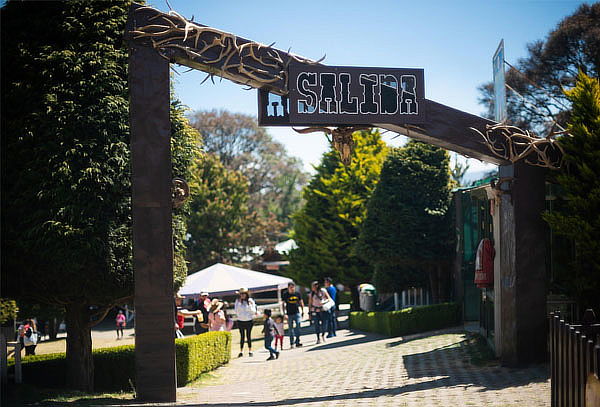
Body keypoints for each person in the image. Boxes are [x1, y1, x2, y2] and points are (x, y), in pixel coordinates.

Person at [234, 287, 257, 357]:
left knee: (248, 336)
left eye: (244, 294)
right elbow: (236, 311)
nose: (242, 295)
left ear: (246, 294)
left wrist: (249, 305)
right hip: (241, 321)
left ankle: (250, 350)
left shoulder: (250, 301)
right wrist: (240, 304)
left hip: (249, 320)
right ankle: (241, 351)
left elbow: (254, 311)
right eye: (241, 294)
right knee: (242, 336)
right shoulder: (237, 301)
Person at [281, 282, 304, 348]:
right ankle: (292, 343)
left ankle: (297, 341)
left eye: (293, 287)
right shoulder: (285, 294)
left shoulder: (297, 293)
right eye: (290, 287)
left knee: (298, 326)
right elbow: (283, 304)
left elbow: (301, 302)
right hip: (289, 314)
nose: (292, 289)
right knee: (290, 329)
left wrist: (302, 311)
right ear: (288, 288)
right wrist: (284, 314)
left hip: (297, 312)